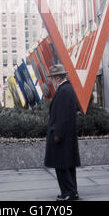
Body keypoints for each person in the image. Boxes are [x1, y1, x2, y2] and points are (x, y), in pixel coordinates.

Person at [44, 64, 81, 201]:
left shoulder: (64, 91)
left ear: (57, 77)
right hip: (66, 136)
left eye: (52, 78)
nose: (51, 81)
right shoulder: (67, 89)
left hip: (61, 137)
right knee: (68, 166)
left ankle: (69, 193)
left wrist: (57, 135)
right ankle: (72, 191)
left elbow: (63, 116)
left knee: (62, 166)